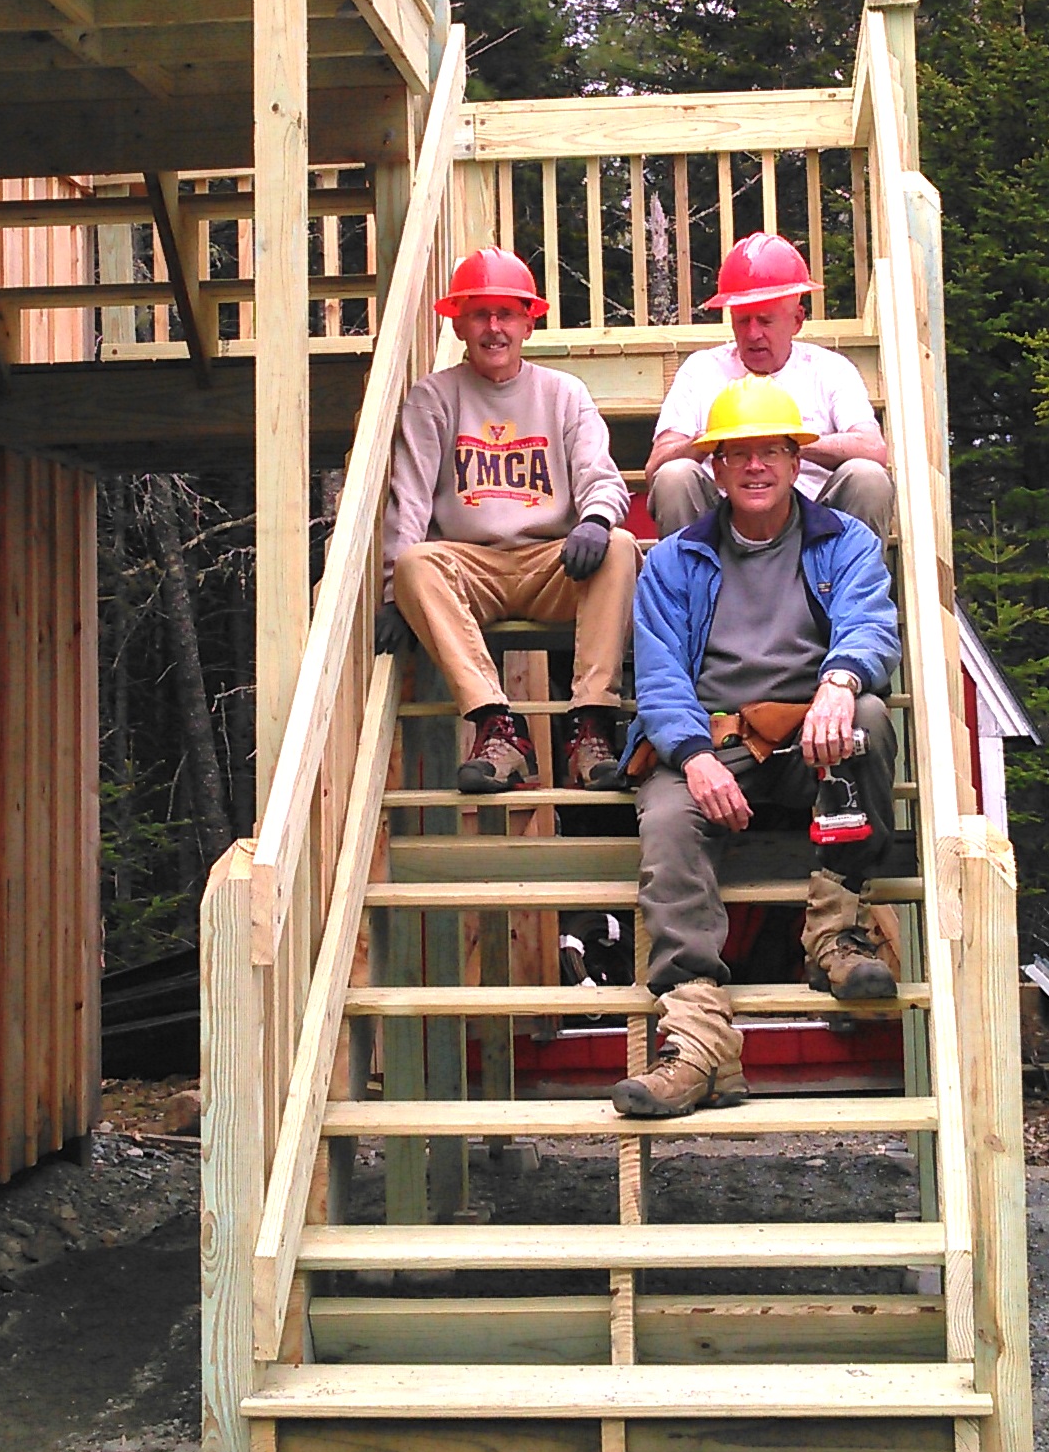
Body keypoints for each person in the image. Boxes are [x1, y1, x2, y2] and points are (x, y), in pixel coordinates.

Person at [613, 374, 903, 1119]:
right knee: (670, 815)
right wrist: (695, 754)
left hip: (815, 734)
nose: (755, 467)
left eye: (770, 450)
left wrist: (840, 681)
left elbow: (871, 624)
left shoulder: (846, 541)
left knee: (868, 720)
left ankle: (838, 933)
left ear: (793, 458)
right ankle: (701, 1042)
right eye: (737, 454)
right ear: (713, 469)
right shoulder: (674, 559)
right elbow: (659, 674)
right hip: (717, 741)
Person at [375, 247, 637, 793]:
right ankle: (497, 729)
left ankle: (589, 727)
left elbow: (601, 474)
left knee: (619, 545)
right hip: (473, 567)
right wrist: (391, 592)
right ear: (460, 323)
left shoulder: (563, 393)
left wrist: (594, 519)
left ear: (528, 320)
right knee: (416, 564)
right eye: (479, 314)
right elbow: (410, 500)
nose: (494, 328)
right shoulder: (433, 398)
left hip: (554, 563)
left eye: (506, 314)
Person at [645, 232, 892, 539]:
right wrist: (704, 444)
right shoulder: (700, 370)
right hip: (722, 532)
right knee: (674, 476)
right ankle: (690, 582)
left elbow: (873, 449)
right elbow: (656, 466)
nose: (752, 334)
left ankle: (852, 583)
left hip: (814, 533)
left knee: (868, 477)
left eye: (765, 321)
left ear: (797, 320)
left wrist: (784, 442)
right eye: (742, 320)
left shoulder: (830, 369)